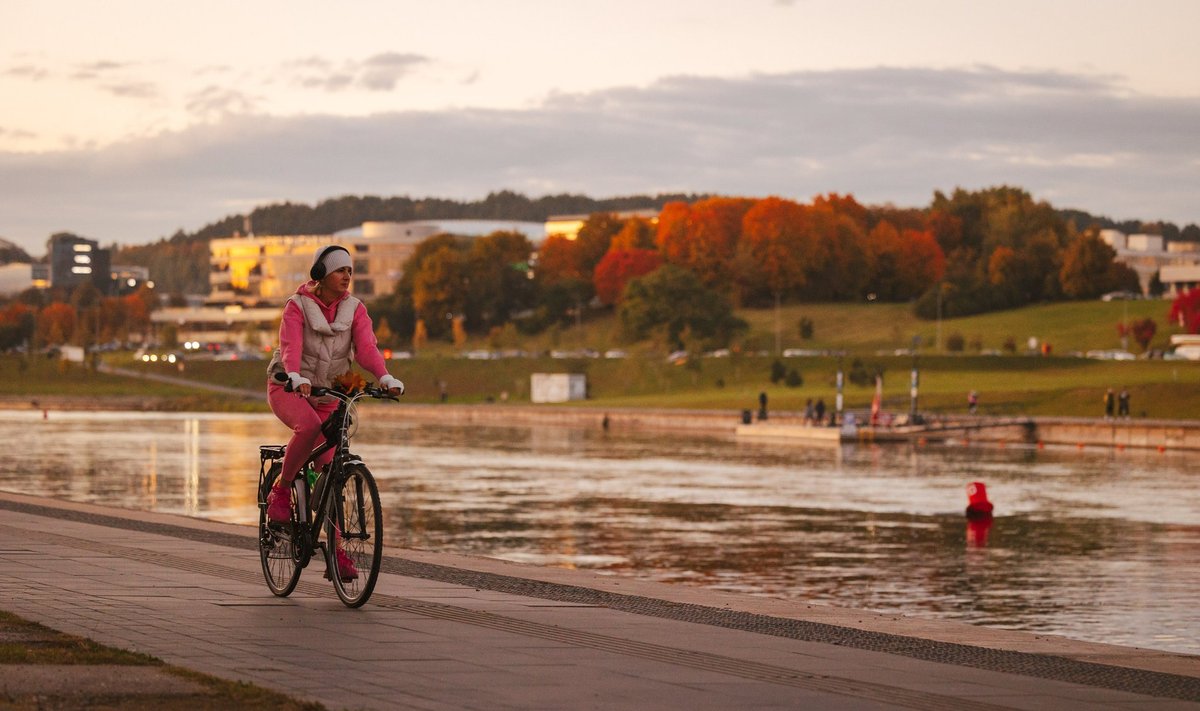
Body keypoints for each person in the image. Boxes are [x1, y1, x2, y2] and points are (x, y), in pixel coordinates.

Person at [265, 245, 404, 580]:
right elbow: (291, 347)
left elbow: (367, 348)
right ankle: (281, 492)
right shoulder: (296, 306)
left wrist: (383, 376)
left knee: (332, 469)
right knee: (309, 426)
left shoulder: (355, 309)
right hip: (289, 386)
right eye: (341, 270)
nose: (346, 277)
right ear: (322, 273)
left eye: (350, 272)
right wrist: (295, 375)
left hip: (329, 391)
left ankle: (337, 553)